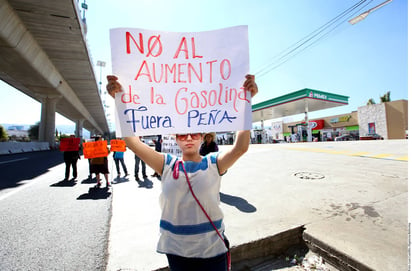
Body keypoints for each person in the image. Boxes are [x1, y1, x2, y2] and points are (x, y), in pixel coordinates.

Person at [106, 74, 258, 271]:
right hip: (177, 254)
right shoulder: (166, 164)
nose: (188, 138)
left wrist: (247, 101)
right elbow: (132, 143)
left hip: (213, 251)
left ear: (202, 137)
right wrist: (119, 101)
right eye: (182, 134)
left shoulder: (214, 163)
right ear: (175, 138)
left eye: (194, 133)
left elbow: (240, 148)